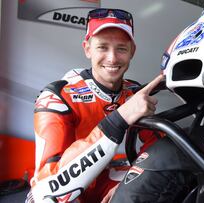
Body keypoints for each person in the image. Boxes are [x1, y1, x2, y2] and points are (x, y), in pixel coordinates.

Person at [26, 8, 163, 203]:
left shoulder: (134, 93)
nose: (112, 58)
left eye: (121, 48)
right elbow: (47, 190)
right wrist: (119, 119)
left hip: (108, 180)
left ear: (132, 51)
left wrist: (131, 181)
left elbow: (157, 148)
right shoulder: (57, 96)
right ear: (87, 48)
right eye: (102, 47)